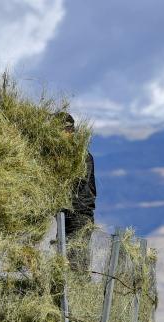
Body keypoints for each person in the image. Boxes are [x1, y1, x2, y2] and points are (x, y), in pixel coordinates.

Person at [57, 111, 96, 272]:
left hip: (80, 216)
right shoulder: (61, 156)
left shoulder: (82, 157)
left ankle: (79, 293)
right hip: (64, 215)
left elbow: (77, 184)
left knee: (76, 262)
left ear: (69, 132)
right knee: (62, 259)